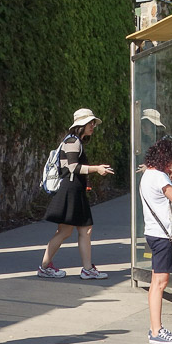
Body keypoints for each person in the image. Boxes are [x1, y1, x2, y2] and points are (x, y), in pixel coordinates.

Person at [38, 109, 114, 279]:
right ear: (81, 125)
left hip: (73, 190)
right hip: (71, 191)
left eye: (93, 122)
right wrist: (97, 169)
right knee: (79, 230)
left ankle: (48, 266)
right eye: (90, 123)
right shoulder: (73, 141)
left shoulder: (74, 141)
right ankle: (82, 269)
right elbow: (72, 167)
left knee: (71, 231)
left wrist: (87, 180)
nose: (93, 126)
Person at [140, 136, 172, 344]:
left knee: (154, 283)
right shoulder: (161, 178)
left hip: (152, 232)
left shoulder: (147, 175)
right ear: (166, 160)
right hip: (162, 235)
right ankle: (156, 331)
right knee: (161, 283)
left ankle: (155, 327)